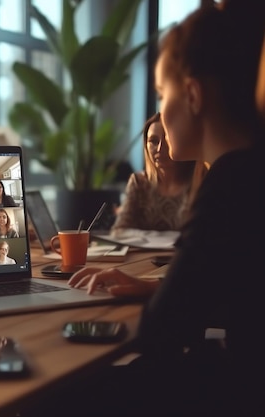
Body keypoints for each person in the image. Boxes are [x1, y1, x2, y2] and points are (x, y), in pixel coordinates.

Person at [23, 2, 265, 415]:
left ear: (192, 95)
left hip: (237, 389)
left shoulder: (229, 183)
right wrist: (154, 286)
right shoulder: (250, 170)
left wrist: (161, 300)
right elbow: (234, 289)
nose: (159, 111)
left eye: (160, 93)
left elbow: (161, 329)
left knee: (45, 395)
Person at [111, 112, 207, 232]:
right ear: (146, 145)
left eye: (167, 141)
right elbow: (120, 230)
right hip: (145, 251)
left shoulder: (200, 181)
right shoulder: (139, 183)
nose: (160, 149)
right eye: (154, 141)